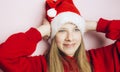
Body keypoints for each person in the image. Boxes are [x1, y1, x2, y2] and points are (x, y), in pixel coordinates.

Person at [0, 0, 120, 72]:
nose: (70, 37)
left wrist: (95, 25)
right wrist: (41, 31)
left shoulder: (101, 58)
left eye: (76, 30)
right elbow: (4, 55)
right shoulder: (40, 66)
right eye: (62, 30)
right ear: (52, 35)